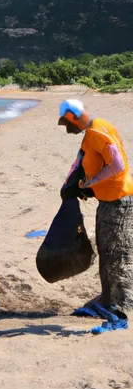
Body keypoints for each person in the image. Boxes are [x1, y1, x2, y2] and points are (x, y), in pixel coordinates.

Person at [59, 99, 133, 330]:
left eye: (66, 124)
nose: (67, 129)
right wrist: (72, 184)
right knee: (105, 251)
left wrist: (91, 182)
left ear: (73, 116)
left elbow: (118, 165)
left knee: (116, 255)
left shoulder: (98, 130)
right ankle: (106, 299)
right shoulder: (89, 135)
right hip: (107, 202)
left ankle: (121, 308)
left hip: (119, 202)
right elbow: (80, 160)